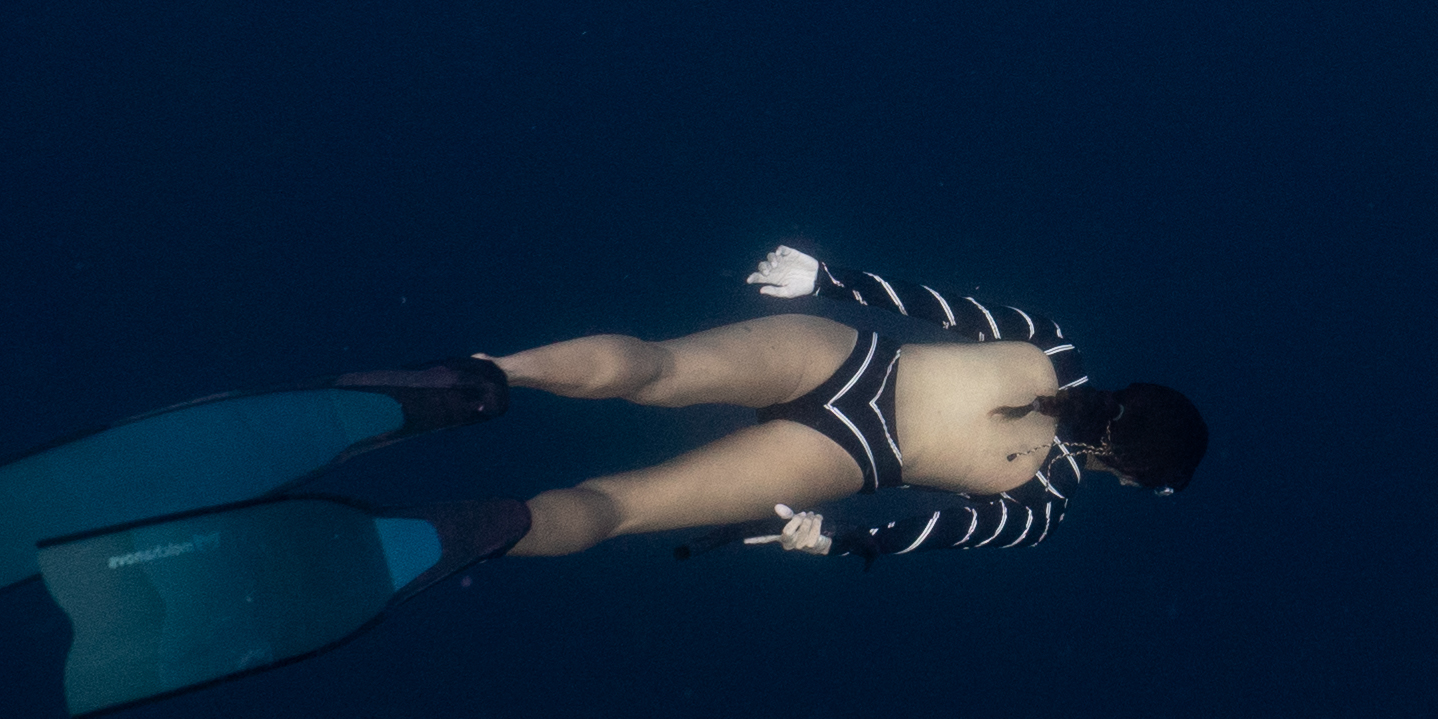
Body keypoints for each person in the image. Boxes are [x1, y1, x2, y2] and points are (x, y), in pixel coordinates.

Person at [489, 245, 1206, 562]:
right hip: (846, 458)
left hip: (844, 354)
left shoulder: (1054, 347)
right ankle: (479, 531)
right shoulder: (1044, 506)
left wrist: (829, 280)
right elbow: (940, 532)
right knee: (618, 509)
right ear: (1140, 476)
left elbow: (936, 307)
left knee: (655, 366)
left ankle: (490, 371)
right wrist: (843, 542)